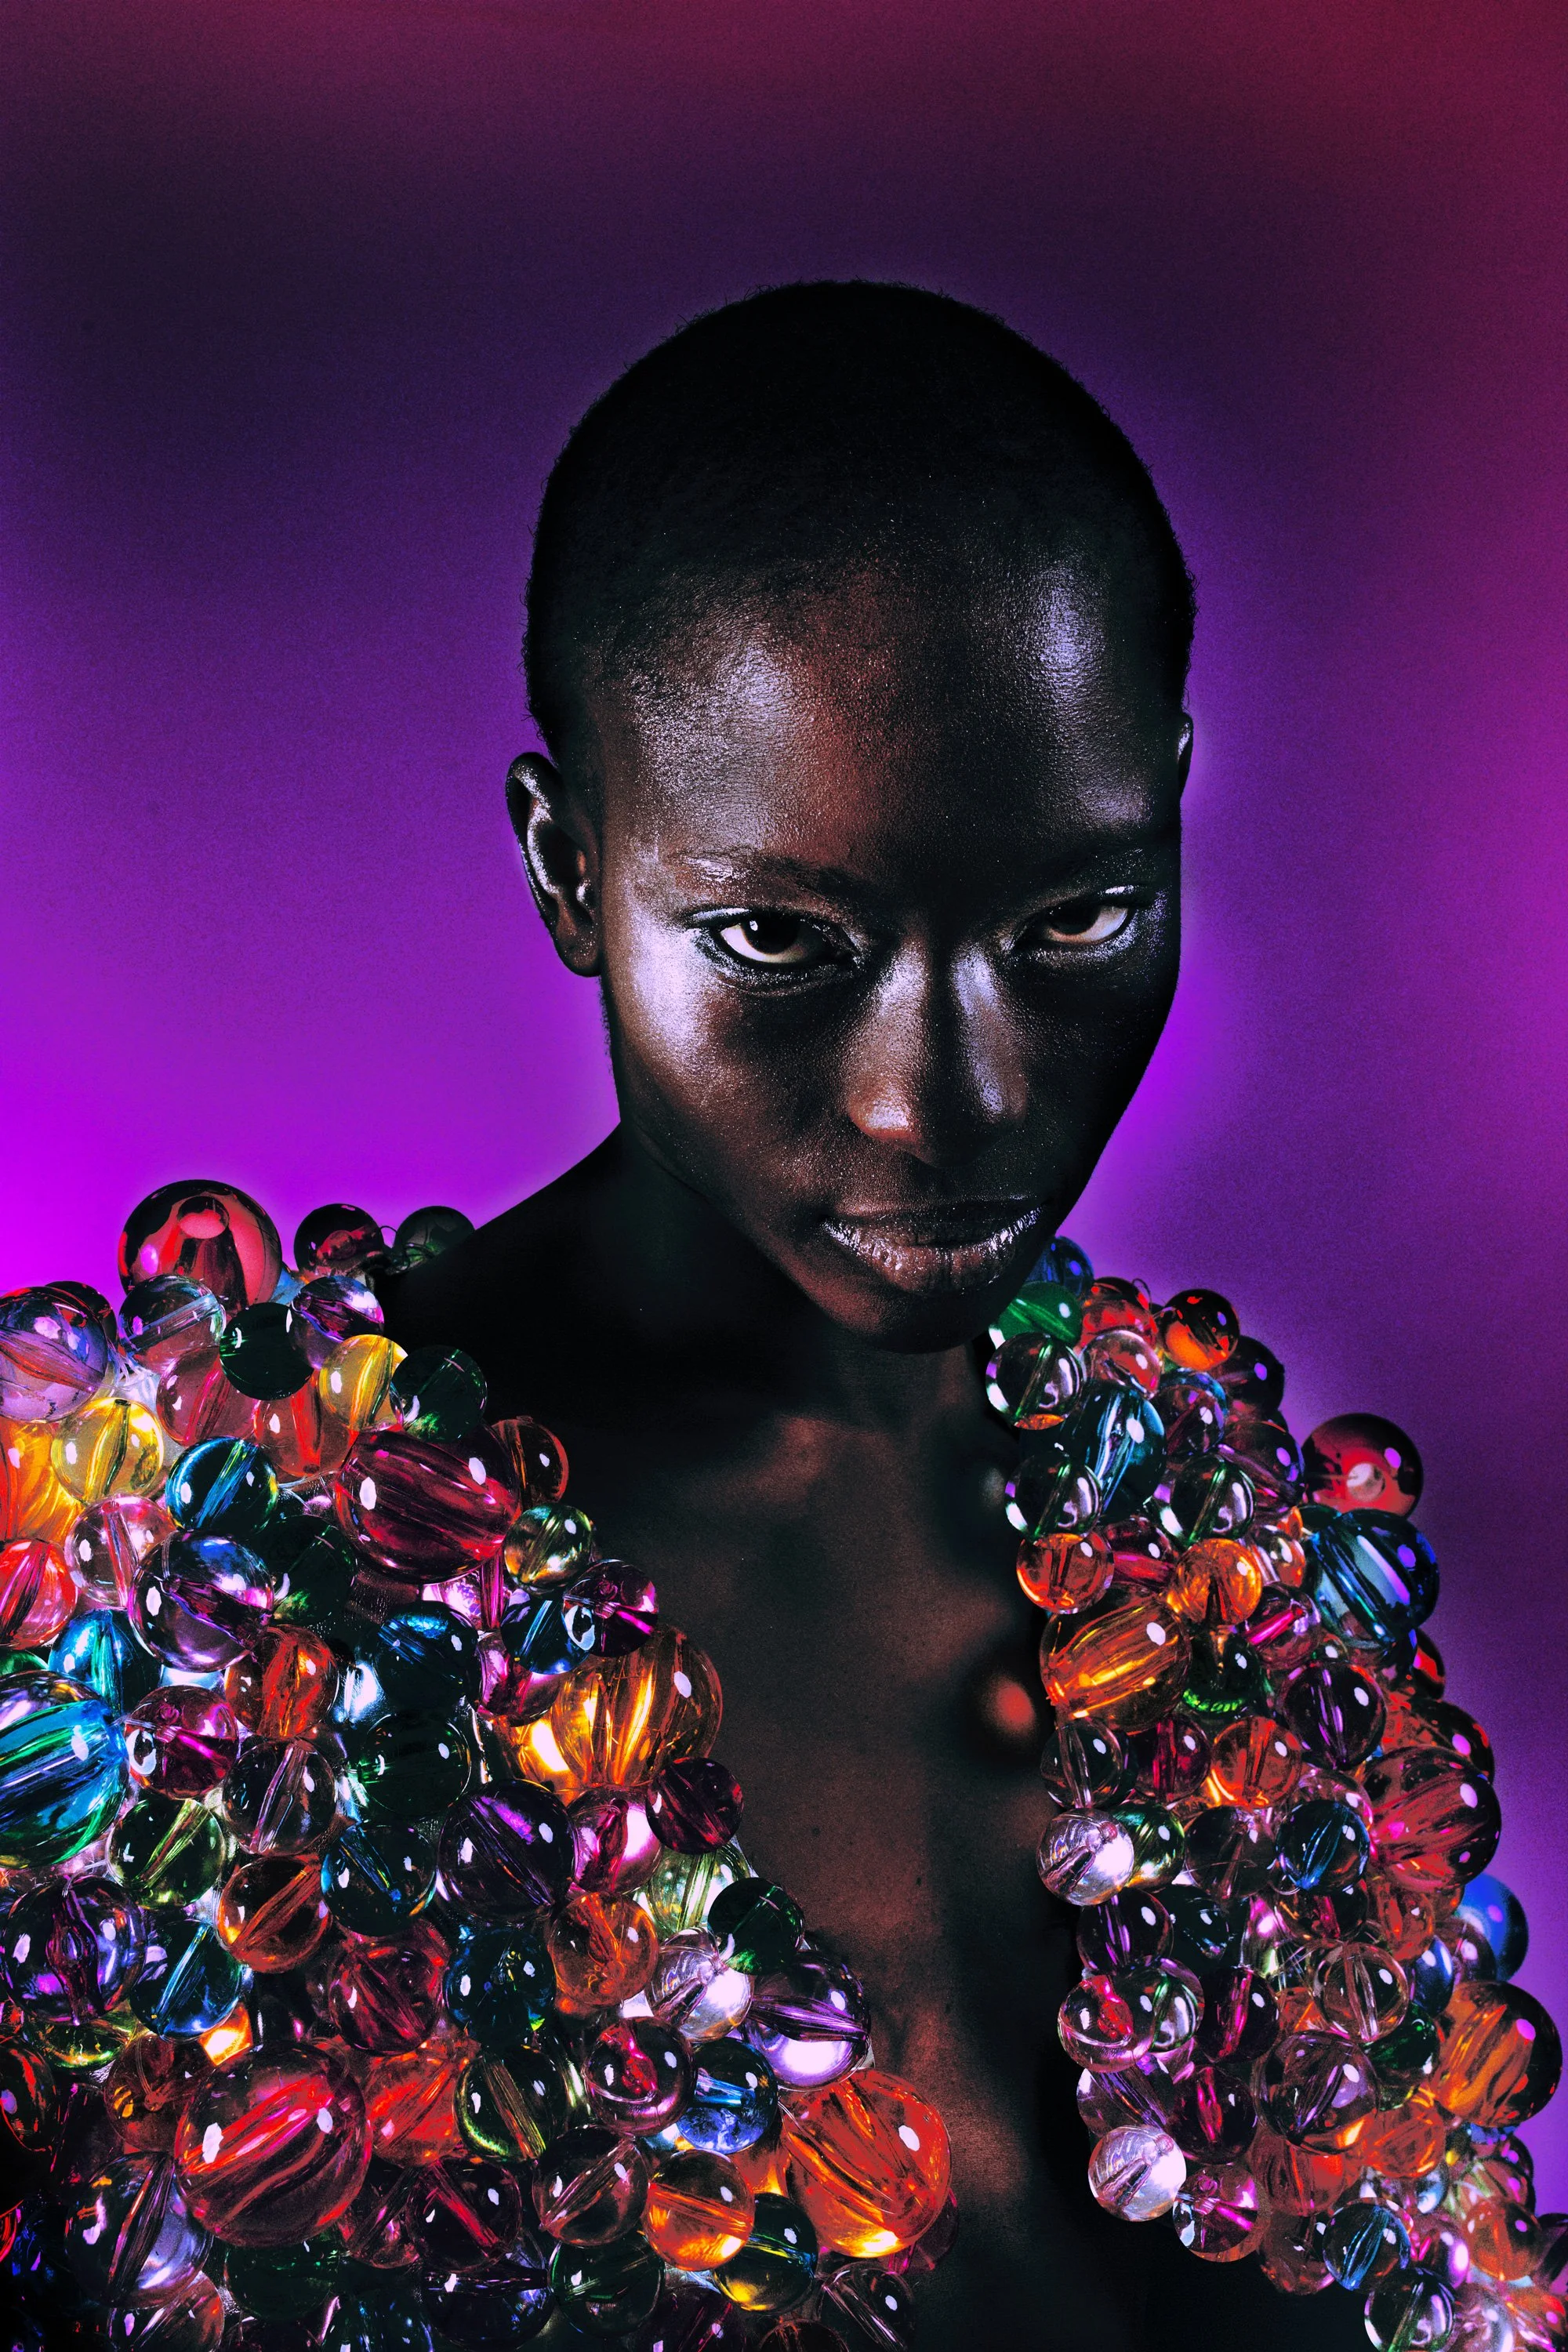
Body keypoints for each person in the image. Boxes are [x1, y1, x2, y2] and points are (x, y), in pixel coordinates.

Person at [387, 281, 1367, 2347]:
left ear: (1176, 795)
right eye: (782, 940)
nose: (952, 1099)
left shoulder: (1230, 1555)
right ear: (572, 871)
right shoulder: (234, 1616)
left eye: (1075, 916)